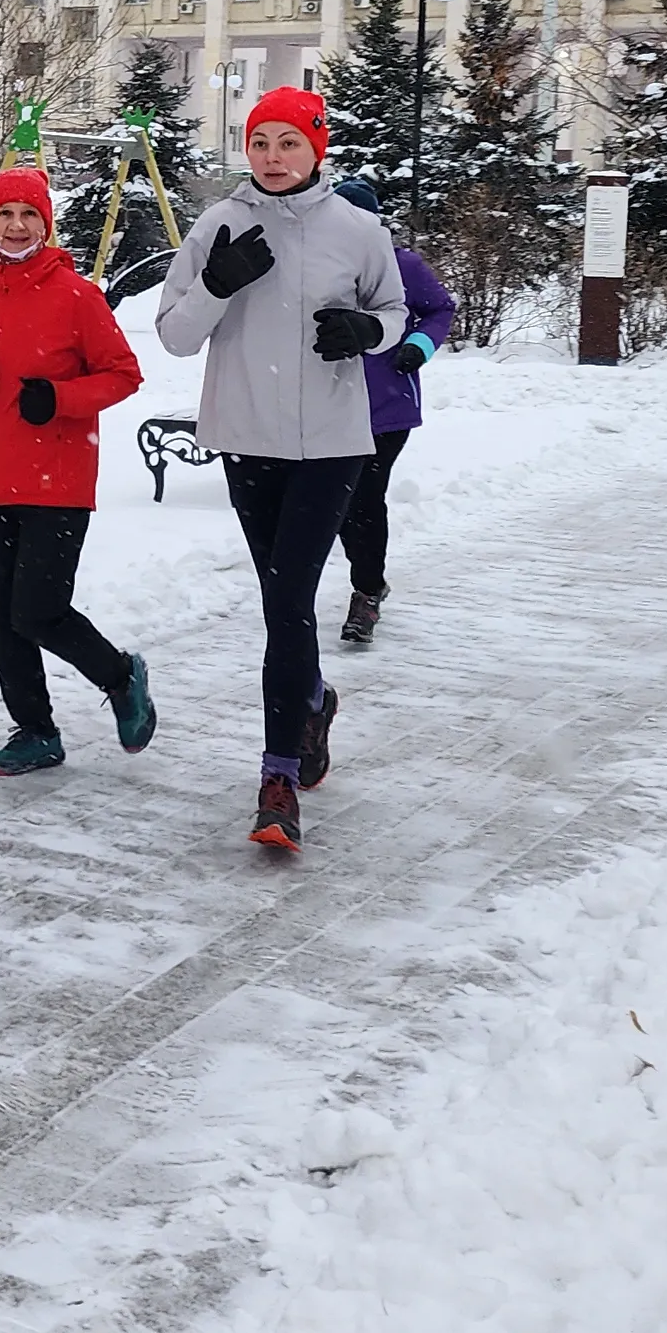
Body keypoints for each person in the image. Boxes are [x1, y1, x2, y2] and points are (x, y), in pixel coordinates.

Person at [155, 87, 407, 852]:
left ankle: (278, 779)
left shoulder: (358, 230)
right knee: (282, 603)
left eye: (288, 142)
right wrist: (217, 284)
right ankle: (313, 700)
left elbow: (395, 312)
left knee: (289, 598)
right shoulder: (217, 225)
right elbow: (173, 335)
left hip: (333, 442)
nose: (272, 157)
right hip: (247, 436)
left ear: (316, 148)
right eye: (260, 142)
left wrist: (366, 331)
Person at [0, 166, 158, 776]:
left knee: (36, 610)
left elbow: (123, 374)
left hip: (56, 482)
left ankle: (120, 676)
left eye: (29, 214)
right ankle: (35, 731)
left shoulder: (78, 296)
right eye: (5, 214)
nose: (16, 226)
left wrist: (60, 398)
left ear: (46, 223)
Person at [327, 178, 457, 646]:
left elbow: (439, 309)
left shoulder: (402, 265)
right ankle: (369, 580)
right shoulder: (317, 267)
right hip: (326, 403)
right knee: (335, 503)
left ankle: (365, 593)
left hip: (386, 406)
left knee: (362, 499)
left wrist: (418, 346)